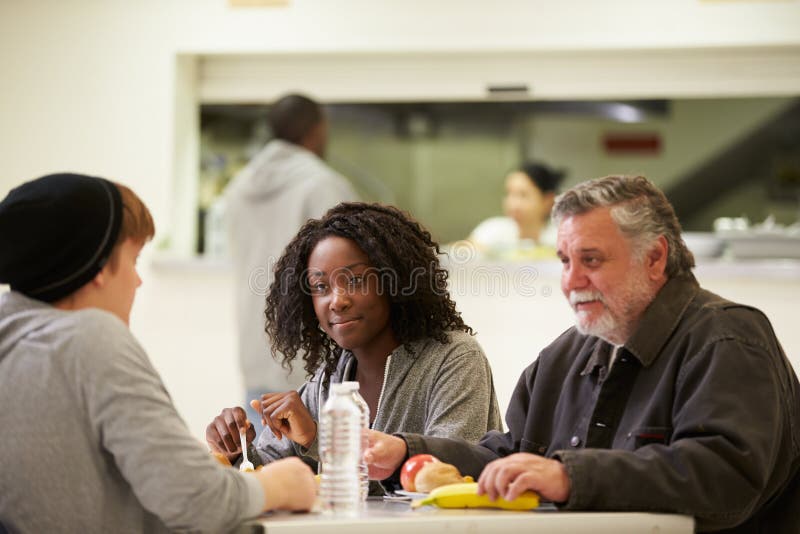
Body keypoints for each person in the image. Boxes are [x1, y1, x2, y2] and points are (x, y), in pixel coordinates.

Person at [365, 175, 800, 533]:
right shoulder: (564, 355)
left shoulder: (728, 337)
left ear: (654, 257)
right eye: (565, 261)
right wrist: (408, 450)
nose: (571, 281)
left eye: (590, 260)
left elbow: (725, 478)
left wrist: (569, 476)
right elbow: (508, 457)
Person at [0, 173, 316, 533]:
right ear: (100, 267)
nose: (137, 281)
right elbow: (196, 500)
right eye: (133, 260)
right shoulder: (89, 340)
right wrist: (281, 483)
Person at [206, 202, 503, 492]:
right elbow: (270, 477)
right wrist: (237, 452)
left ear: (394, 281)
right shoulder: (328, 380)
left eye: (356, 280)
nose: (337, 300)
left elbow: (444, 476)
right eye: (321, 287)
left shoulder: (454, 358)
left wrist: (316, 438)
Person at [224, 93, 358, 432]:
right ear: (316, 131)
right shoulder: (323, 185)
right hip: (308, 357)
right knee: (321, 469)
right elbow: (352, 263)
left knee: (263, 467)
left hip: (256, 346)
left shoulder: (238, 188)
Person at [469, 161, 565, 259]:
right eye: (509, 194)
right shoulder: (493, 229)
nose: (513, 204)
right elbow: (462, 251)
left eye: (523, 195)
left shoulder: (562, 236)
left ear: (547, 200)